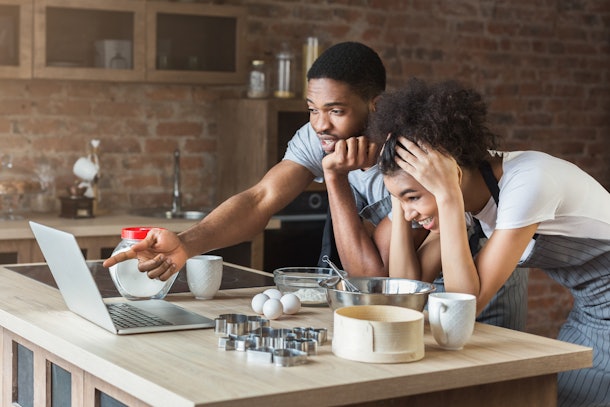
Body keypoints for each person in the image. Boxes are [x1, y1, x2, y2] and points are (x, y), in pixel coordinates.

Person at [372, 78, 610, 406]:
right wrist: (399, 200)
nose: (410, 214)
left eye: (413, 197)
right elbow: (407, 289)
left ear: (452, 174)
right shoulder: (471, 193)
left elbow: (464, 305)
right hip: (593, 309)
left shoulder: (527, 182)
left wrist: (448, 197)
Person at [103, 41, 393, 279]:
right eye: (312, 109)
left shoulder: (408, 159)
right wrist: (186, 244)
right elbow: (259, 199)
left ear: (376, 107)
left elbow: (377, 278)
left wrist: (334, 176)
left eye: (335, 111)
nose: (319, 124)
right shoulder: (320, 137)